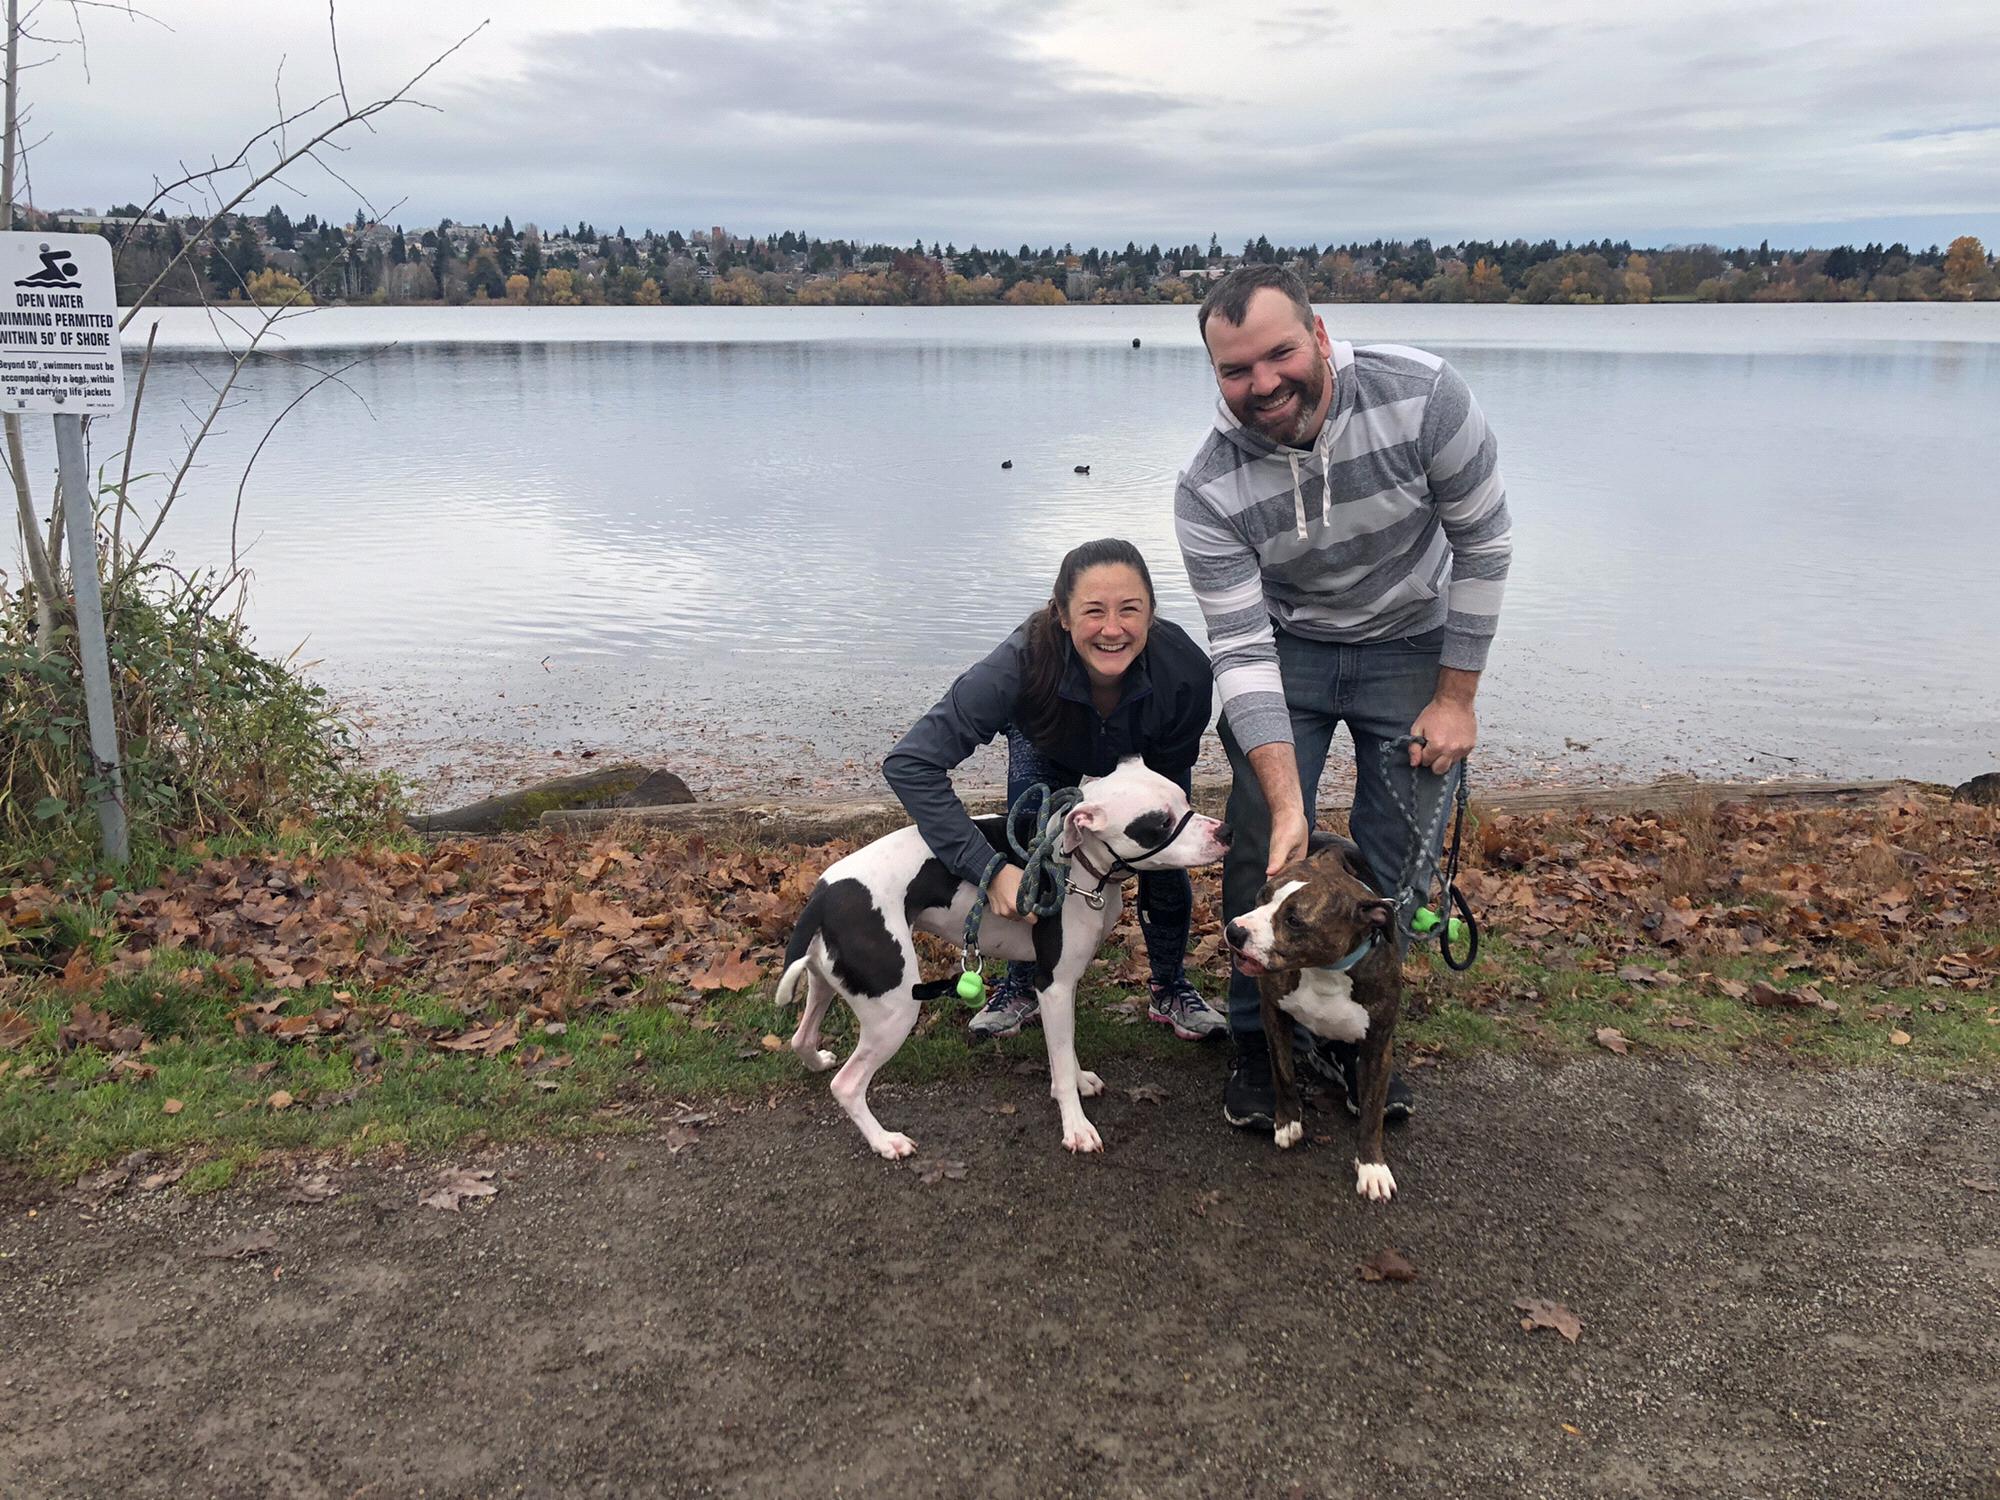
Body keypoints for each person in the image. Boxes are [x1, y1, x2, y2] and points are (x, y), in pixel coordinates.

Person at [1174, 264, 1514, 1128]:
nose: (1263, 383)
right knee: (1260, 835)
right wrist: (1289, 804)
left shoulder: (1427, 397)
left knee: (1392, 856)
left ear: (1319, 335)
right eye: (1235, 370)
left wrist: (1457, 698)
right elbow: (1242, 651)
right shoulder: (1207, 488)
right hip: (1289, 647)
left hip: (1410, 638)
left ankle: (1358, 1040)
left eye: (1280, 353)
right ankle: (1259, 1037)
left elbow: (1483, 543)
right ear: (1216, 373)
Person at [882, 538, 1227, 1042]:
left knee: (1167, 850)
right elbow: (911, 763)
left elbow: (1168, 816)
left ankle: (1170, 985)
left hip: (1146, 749)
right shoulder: (1019, 663)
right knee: (1030, 843)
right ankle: (1021, 983)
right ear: (1063, 615)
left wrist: (1129, 852)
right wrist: (987, 867)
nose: (1113, 629)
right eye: (1093, 612)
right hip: (1047, 737)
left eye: (1130, 610)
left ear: (1152, 613)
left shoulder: (1187, 674)